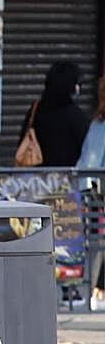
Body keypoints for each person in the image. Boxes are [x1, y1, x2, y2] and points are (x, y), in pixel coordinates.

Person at [20, 61, 91, 167]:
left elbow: (24, 138)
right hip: (66, 179)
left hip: (36, 179)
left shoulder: (36, 110)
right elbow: (87, 149)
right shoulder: (75, 115)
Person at [77, 77, 105, 312]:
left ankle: (94, 290)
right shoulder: (100, 125)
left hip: (98, 195)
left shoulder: (99, 125)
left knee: (96, 243)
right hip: (100, 196)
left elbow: (89, 163)